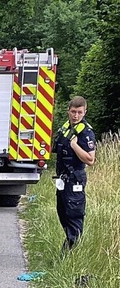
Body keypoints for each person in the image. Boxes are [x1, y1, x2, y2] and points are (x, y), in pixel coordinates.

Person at [53, 96, 96, 252]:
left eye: (79, 112)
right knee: (63, 214)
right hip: (63, 180)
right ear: (68, 111)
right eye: (73, 112)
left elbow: (90, 159)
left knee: (74, 216)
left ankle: (70, 254)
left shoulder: (86, 133)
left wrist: (75, 146)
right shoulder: (65, 129)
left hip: (75, 180)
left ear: (84, 112)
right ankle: (69, 248)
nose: (76, 115)